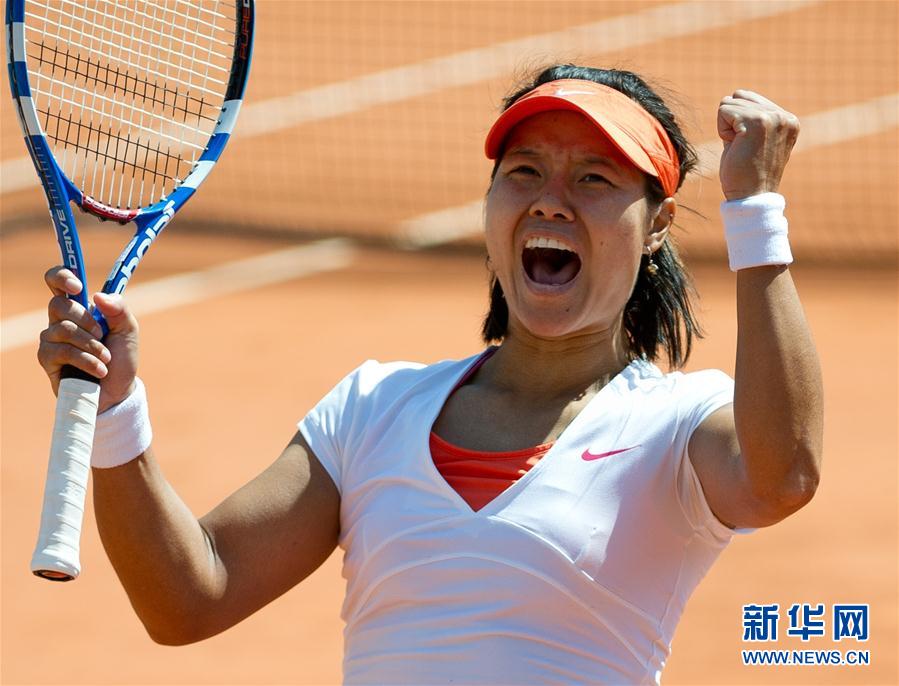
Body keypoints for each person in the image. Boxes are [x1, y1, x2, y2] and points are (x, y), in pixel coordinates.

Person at [38, 65, 823, 684]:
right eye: (524, 171)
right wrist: (116, 409)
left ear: (655, 226)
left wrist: (754, 212)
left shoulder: (676, 424)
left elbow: (781, 476)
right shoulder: (372, 408)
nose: (550, 202)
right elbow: (187, 600)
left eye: (592, 178)